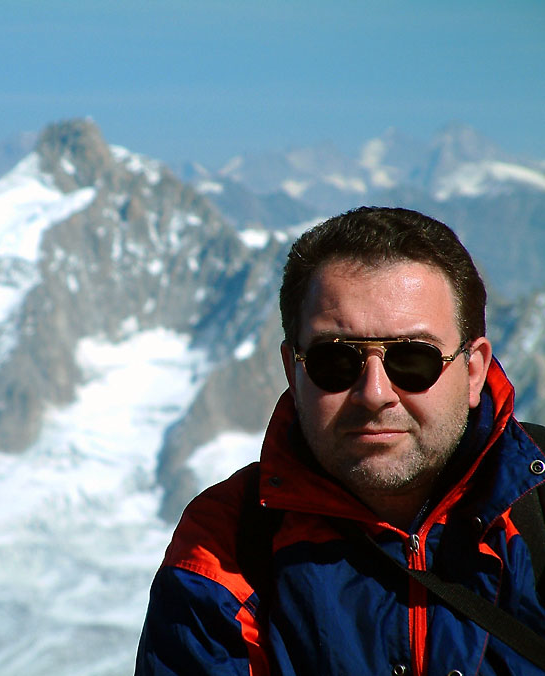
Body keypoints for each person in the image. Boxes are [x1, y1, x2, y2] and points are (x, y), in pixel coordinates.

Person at [135, 207, 545, 675]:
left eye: (413, 359)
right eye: (336, 361)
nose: (374, 394)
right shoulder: (223, 549)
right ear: (292, 370)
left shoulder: (538, 512)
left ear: (473, 371)